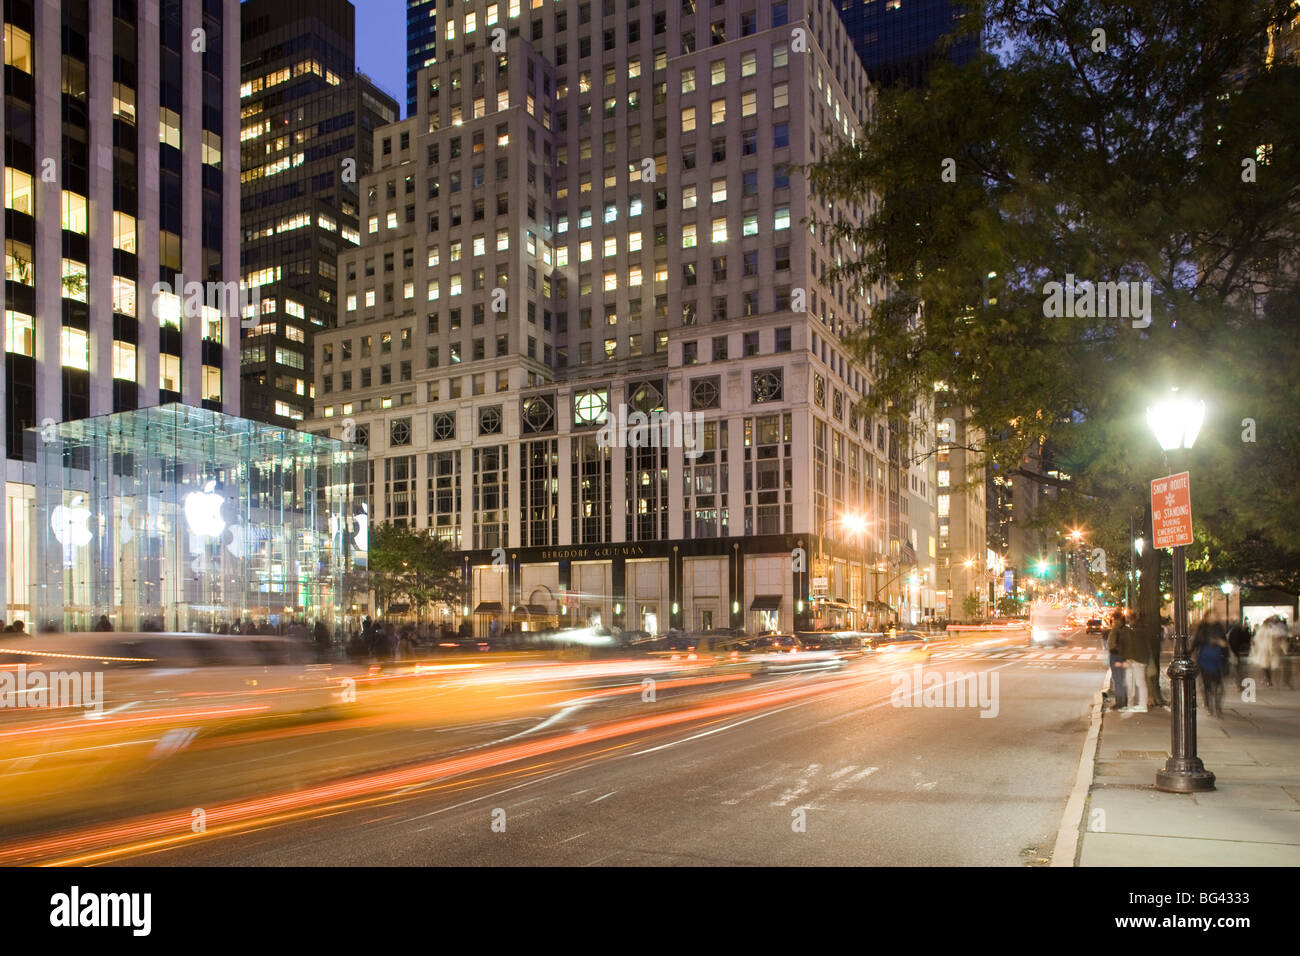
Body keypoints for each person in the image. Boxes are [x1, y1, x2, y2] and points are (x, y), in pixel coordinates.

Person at [1195, 626, 1229, 717]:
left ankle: (1214, 707)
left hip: (1215, 668)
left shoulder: (1219, 645)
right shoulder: (1204, 643)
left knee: (1216, 688)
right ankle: (1211, 707)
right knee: (1209, 688)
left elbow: (1226, 655)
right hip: (1207, 668)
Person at [1122, 613, 1150, 712]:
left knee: (1139, 682)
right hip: (1140, 659)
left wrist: (1130, 658)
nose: (1128, 622)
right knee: (1139, 682)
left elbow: (1133, 647)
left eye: (1129, 620)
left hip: (1137, 660)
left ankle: (1142, 705)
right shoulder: (1142, 630)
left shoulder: (1135, 632)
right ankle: (1141, 704)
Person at [1252, 615, 1290, 688]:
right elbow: (1257, 639)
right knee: (1266, 665)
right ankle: (1268, 680)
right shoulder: (1265, 629)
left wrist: (1284, 648)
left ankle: (1269, 680)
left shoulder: (1275, 628)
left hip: (1271, 650)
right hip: (1265, 650)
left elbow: (1281, 637)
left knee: (1271, 665)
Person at [1106, 611, 1129, 710]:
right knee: (1120, 679)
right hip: (1120, 656)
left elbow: (1113, 643)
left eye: (1115, 620)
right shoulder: (1123, 630)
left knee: (1118, 679)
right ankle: (1122, 700)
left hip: (1117, 656)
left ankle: (1121, 701)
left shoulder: (1117, 630)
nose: (1113, 621)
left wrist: (1114, 650)